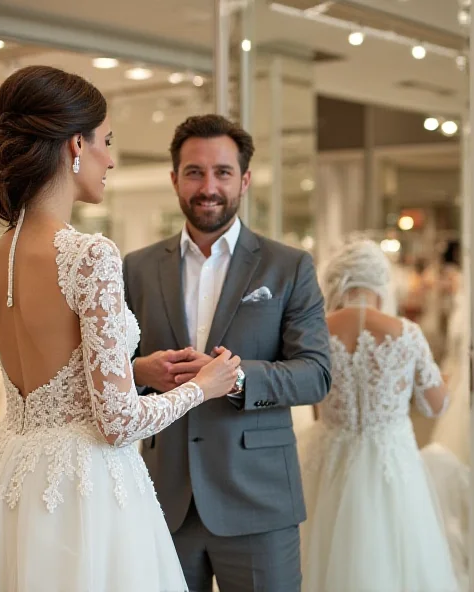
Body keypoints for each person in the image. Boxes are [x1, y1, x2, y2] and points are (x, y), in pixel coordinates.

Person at [0, 65, 240, 591]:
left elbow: (51, 376)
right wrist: (204, 387)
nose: (111, 158)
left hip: (12, 471)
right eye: (106, 141)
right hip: (83, 486)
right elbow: (119, 423)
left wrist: (134, 367)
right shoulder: (90, 254)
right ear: (73, 146)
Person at [123, 114, 331, 592]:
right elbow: (111, 371)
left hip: (258, 499)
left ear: (245, 180)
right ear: (174, 179)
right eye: (194, 172)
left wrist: (233, 379)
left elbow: (316, 373)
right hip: (163, 498)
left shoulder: (289, 266)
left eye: (222, 172)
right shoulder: (135, 267)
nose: (208, 186)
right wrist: (140, 370)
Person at [298, 238, 458, 591]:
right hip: (391, 461)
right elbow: (436, 405)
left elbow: (314, 405)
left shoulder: (314, 334)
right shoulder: (406, 333)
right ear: (381, 282)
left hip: (328, 458)